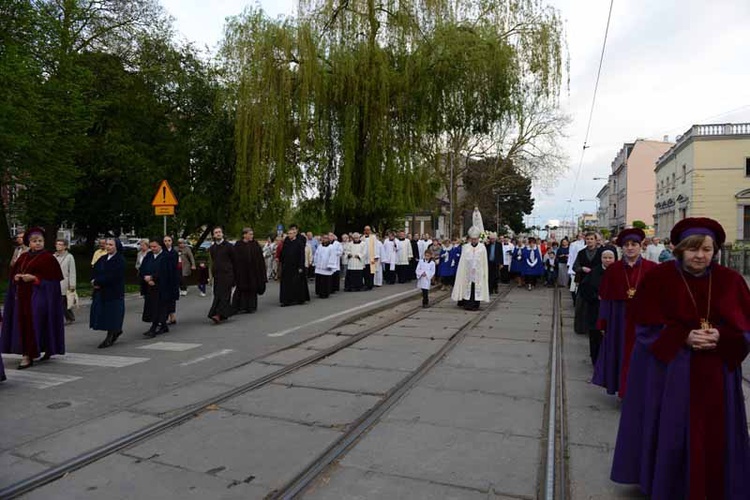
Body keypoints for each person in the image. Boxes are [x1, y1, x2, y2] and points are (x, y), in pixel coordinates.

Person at [611, 217, 750, 499]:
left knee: (713, 434)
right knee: (672, 429)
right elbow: (644, 326)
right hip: (672, 373)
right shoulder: (659, 278)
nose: (700, 256)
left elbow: (745, 327)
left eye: (707, 250)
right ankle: (667, 483)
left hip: (716, 373)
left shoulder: (730, 281)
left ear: (715, 251)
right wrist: (683, 336)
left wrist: (722, 336)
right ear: (680, 250)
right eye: (693, 249)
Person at [592, 228, 657, 396]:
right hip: (619, 320)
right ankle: (623, 389)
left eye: (634, 244)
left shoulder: (652, 269)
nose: (630, 248)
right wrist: (603, 322)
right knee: (620, 355)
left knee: (640, 357)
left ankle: (638, 392)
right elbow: (606, 298)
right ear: (622, 248)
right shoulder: (613, 270)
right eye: (626, 245)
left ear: (640, 246)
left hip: (643, 321)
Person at [1, 228, 65, 368]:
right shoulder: (23, 257)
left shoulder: (48, 258)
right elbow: (13, 275)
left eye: (40, 241)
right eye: (34, 241)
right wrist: (17, 278)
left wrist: (35, 279)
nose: (38, 243)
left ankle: (30, 354)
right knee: (24, 324)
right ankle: (27, 351)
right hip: (22, 298)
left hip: (40, 297)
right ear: (28, 243)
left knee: (36, 323)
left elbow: (53, 282)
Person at [576, 249, 616, 364]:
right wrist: (595, 297)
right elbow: (584, 289)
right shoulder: (594, 272)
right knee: (595, 336)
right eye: (605, 258)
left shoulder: (619, 272)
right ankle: (596, 360)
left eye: (610, 258)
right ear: (601, 259)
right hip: (596, 309)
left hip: (613, 310)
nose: (607, 260)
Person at [90, 238, 125, 348]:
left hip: (113, 292)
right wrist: (93, 280)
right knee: (104, 314)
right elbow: (94, 270)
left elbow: (114, 276)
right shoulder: (102, 258)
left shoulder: (120, 260)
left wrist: (98, 281)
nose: (108, 247)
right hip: (101, 291)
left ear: (116, 246)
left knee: (113, 315)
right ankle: (115, 331)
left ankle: (111, 335)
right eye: (107, 244)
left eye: (111, 245)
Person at [451, 226, 490, 311]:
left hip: (478, 273)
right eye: (472, 239)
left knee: (476, 288)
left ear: (478, 238)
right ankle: (467, 304)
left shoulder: (482, 247)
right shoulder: (466, 247)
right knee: (467, 288)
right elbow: (463, 261)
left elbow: (484, 261)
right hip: (467, 272)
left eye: (475, 239)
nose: (474, 241)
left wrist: (483, 272)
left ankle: (476, 304)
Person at [139, 238, 171, 337]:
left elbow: (166, 271)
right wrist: (145, 277)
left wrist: (153, 278)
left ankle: (153, 328)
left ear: (160, 246)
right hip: (149, 286)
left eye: (155, 247)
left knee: (158, 307)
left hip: (161, 286)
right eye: (151, 247)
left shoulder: (165, 256)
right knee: (152, 306)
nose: (152, 249)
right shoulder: (149, 256)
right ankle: (164, 326)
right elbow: (143, 268)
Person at [232, 228, 266, 314]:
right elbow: (235, 259)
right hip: (242, 272)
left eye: (252, 234)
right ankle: (239, 307)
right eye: (250, 234)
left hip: (253, 271)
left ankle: (250, 307)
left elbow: (260, 258)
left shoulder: (255, 244)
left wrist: (261, 271)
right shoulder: (238, 245)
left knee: (252, 288)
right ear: (244, 235)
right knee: (241, 288)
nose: (252, 236)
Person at [208, 226, 235, 322]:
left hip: (227, 274)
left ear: (222, 234)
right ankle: (222, 314)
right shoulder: (212, 248)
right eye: (216, 232)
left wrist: (234, 276)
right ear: (213, 235)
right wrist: (211, 276)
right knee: (217, 294)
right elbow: (212, 262)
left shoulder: (229, 246)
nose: (218, 234)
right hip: (217, 275)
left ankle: (218, 314)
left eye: (219, 232)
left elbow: (234, 261)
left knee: (225, 295)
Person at [279, 224, 310, 306]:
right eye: (288, 233)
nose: (289, 235)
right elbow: (283, 253)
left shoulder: (299, 243)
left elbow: (301, 255)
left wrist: (300, 266)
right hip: (287, 266)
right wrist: (281, 260)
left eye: (291, 233)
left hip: (296, 266)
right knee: (286, 284)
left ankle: (297, 299)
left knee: (296, 283)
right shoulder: (287, 242)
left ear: (295, 234)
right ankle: (286, 300)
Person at [54, 239, 77, 323]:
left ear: (65, 246)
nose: (58, 246)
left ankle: (69, 317)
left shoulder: (69, 257)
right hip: (55, 282)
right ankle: (68, 317)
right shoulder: (54, 256)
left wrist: (72, 285)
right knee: (58, 302)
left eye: (60, 244)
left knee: (63, 302)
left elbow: (72, 271)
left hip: (64, 283)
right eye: (57, 244)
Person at [162, 236, 180, 325]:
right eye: (165, 241)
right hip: (164, 278)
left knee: (172, 298)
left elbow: (175, 266)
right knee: (165, 298)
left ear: (172, 242)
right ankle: (166, 317)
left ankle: (172, 316)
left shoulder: (174, 253)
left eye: (169, 241)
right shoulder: (162, 252)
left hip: (172, 278)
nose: (167, 242)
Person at [313, 234, 339, 298]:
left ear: (328, 239)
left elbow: (333, 256)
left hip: (326, 267)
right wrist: (315, 262)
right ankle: (319, 292)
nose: (324, 240)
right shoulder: (320, 246)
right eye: (323, 238)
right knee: (319, 280)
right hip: (319, 267)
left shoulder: (331, 247)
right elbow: (316, 255)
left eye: (326, 238)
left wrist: (330, 265)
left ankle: (325, 293)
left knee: (325, 281)